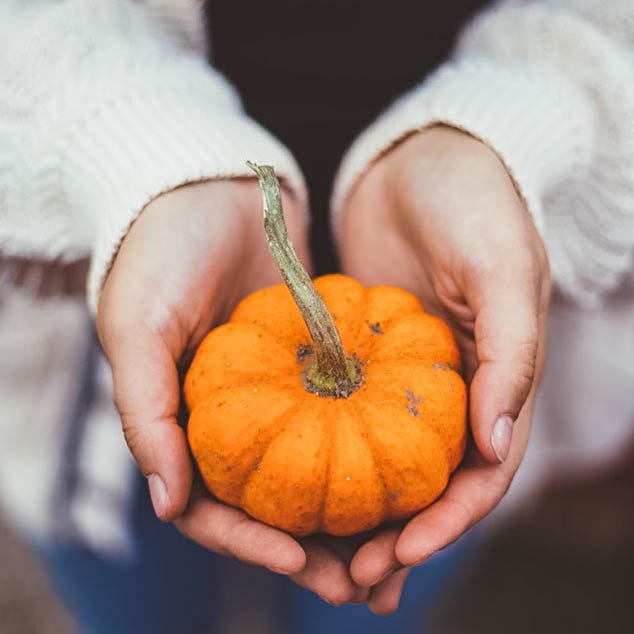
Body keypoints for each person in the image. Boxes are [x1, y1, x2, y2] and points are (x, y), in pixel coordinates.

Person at [1, 0, 633, 631]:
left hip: (454, 304)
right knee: (136, 601)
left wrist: (509, 126)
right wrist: (132, 150)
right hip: (120, 327)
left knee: (372, 598)